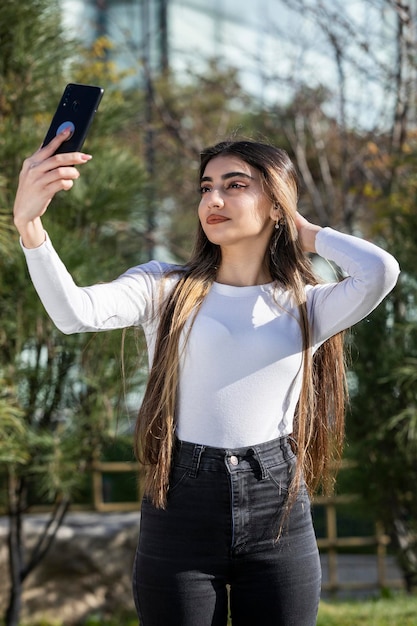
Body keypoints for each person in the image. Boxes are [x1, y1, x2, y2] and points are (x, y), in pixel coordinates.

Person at [13, 130, 400, 626]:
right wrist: (30, 226)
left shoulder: (307, 303)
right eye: (205, 187)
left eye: (235, 185)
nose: (213, 199)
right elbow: (74, 313)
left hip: (277, 506)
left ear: (276, 201)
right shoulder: (164, 288)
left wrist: (304, 230)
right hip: (180, 506)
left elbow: (380, 271)